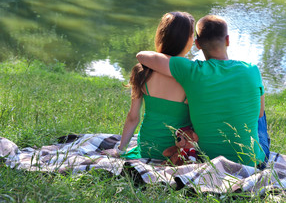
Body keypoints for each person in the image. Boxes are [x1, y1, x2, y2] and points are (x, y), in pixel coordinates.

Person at [136, 15, 270, 167]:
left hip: (209, 161)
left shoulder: (191, 71)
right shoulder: (251, 69)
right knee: (259, 113)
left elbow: (142, 56)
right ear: (227, 40)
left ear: (198, 44)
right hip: (252, 162)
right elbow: (259, 114)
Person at [102, 12, 195, 160]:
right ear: (187, 39)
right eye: (192, 34)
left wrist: (120, 150)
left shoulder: (142, 71)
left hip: (147, 148)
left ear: (161, 35)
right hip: (178, 153)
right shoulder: (191, 75)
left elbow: (133, 117)